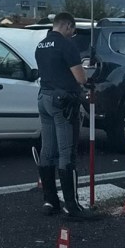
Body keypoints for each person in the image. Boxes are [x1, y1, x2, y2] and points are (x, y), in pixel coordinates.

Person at [35, 12, 99, 221]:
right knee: (66, 152)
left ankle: (50, 201)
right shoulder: (66, 45)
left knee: (48, 150)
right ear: (68, 26)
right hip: (63, 102)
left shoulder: (41, 45)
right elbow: (80, 77)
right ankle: (72, 207)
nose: (72, 35)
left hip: (44, 98)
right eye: (72, 31)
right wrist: (88, 77)